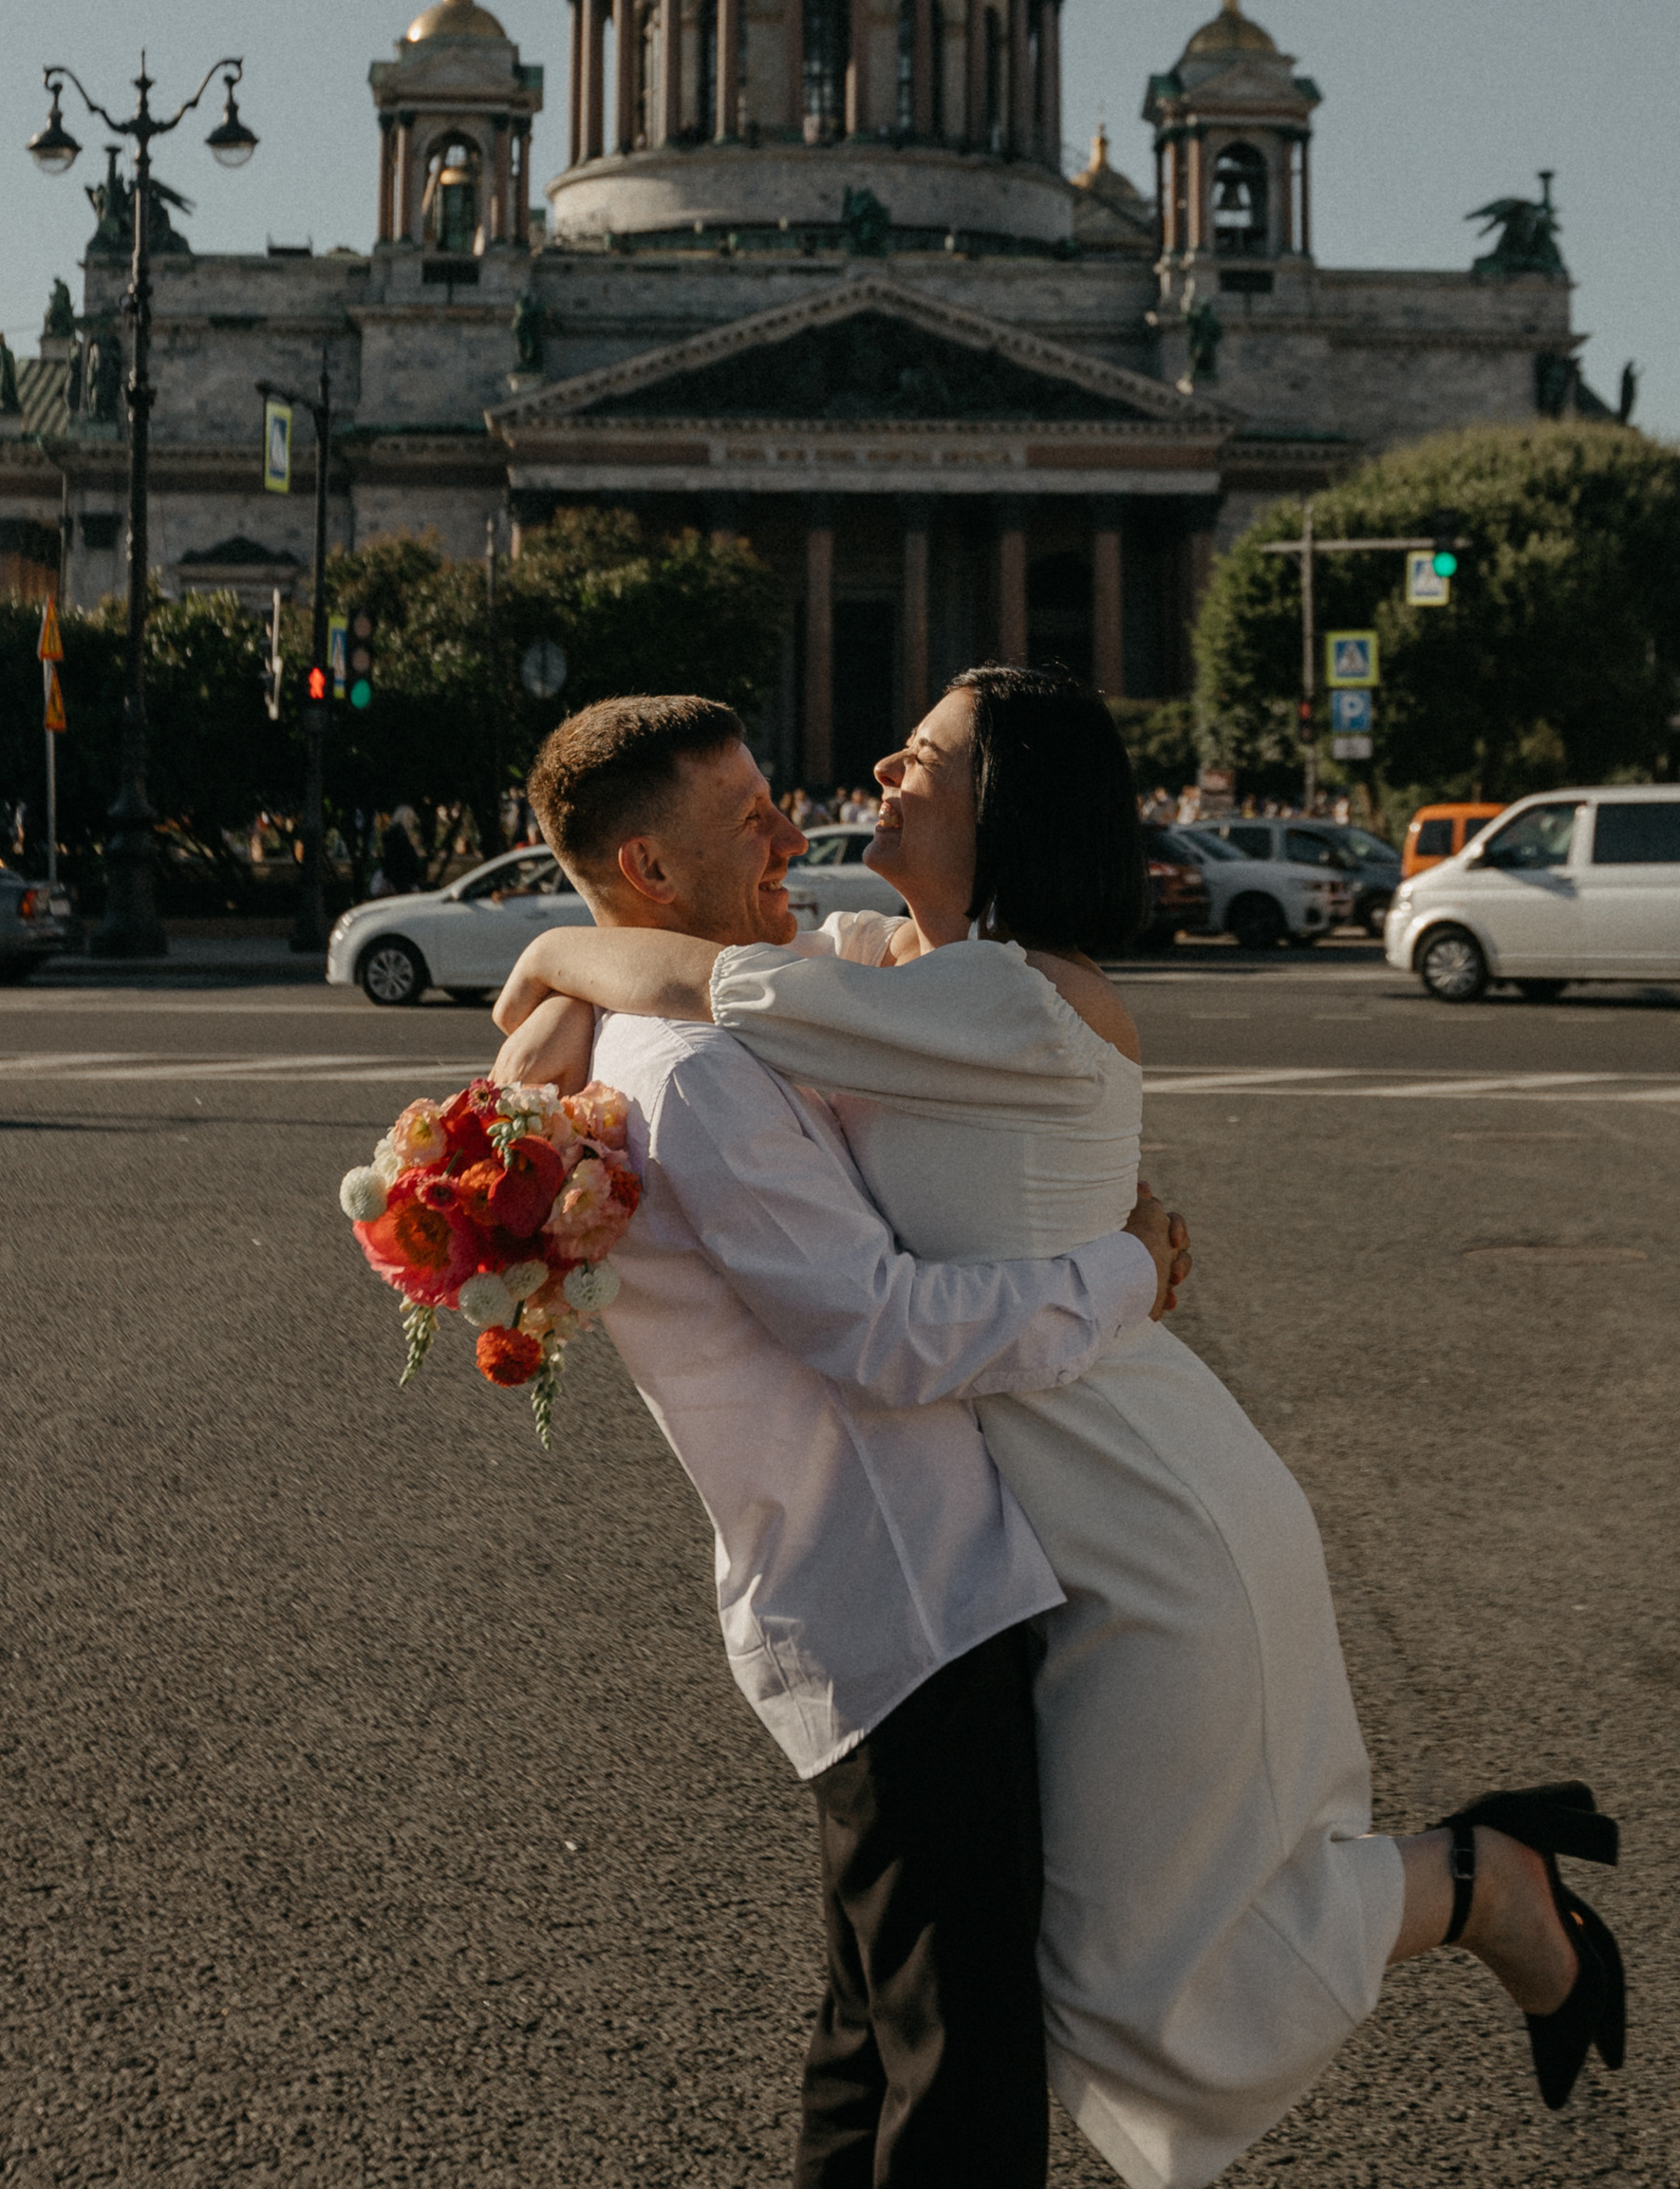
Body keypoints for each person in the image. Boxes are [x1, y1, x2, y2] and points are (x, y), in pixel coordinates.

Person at [499, 667, 1625, 2184]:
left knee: (1103, 1978)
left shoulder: (996, 996)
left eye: (930, 758)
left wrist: (570, 947)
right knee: (998, 1991)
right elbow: (717, 982)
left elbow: (706, 987)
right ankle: (1475, 1879)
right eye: (757, 803)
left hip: (1134, 1506)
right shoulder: (879, 965)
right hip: (1025, 1523)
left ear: (999, 810)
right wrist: (570, 989)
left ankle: (1482, 1883)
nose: (868, 775)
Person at [489, 694, 1192, 2189]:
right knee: (963, 2078)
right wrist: (1126, 1274)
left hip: (864, 1597)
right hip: (906, 1602)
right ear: (654, 877)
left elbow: (768, 975)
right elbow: (885, 1335)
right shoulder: (700, 1082)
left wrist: (554, 965)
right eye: (747, 816)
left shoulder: (683, 1034)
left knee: (874, 2043)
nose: (790, 824)